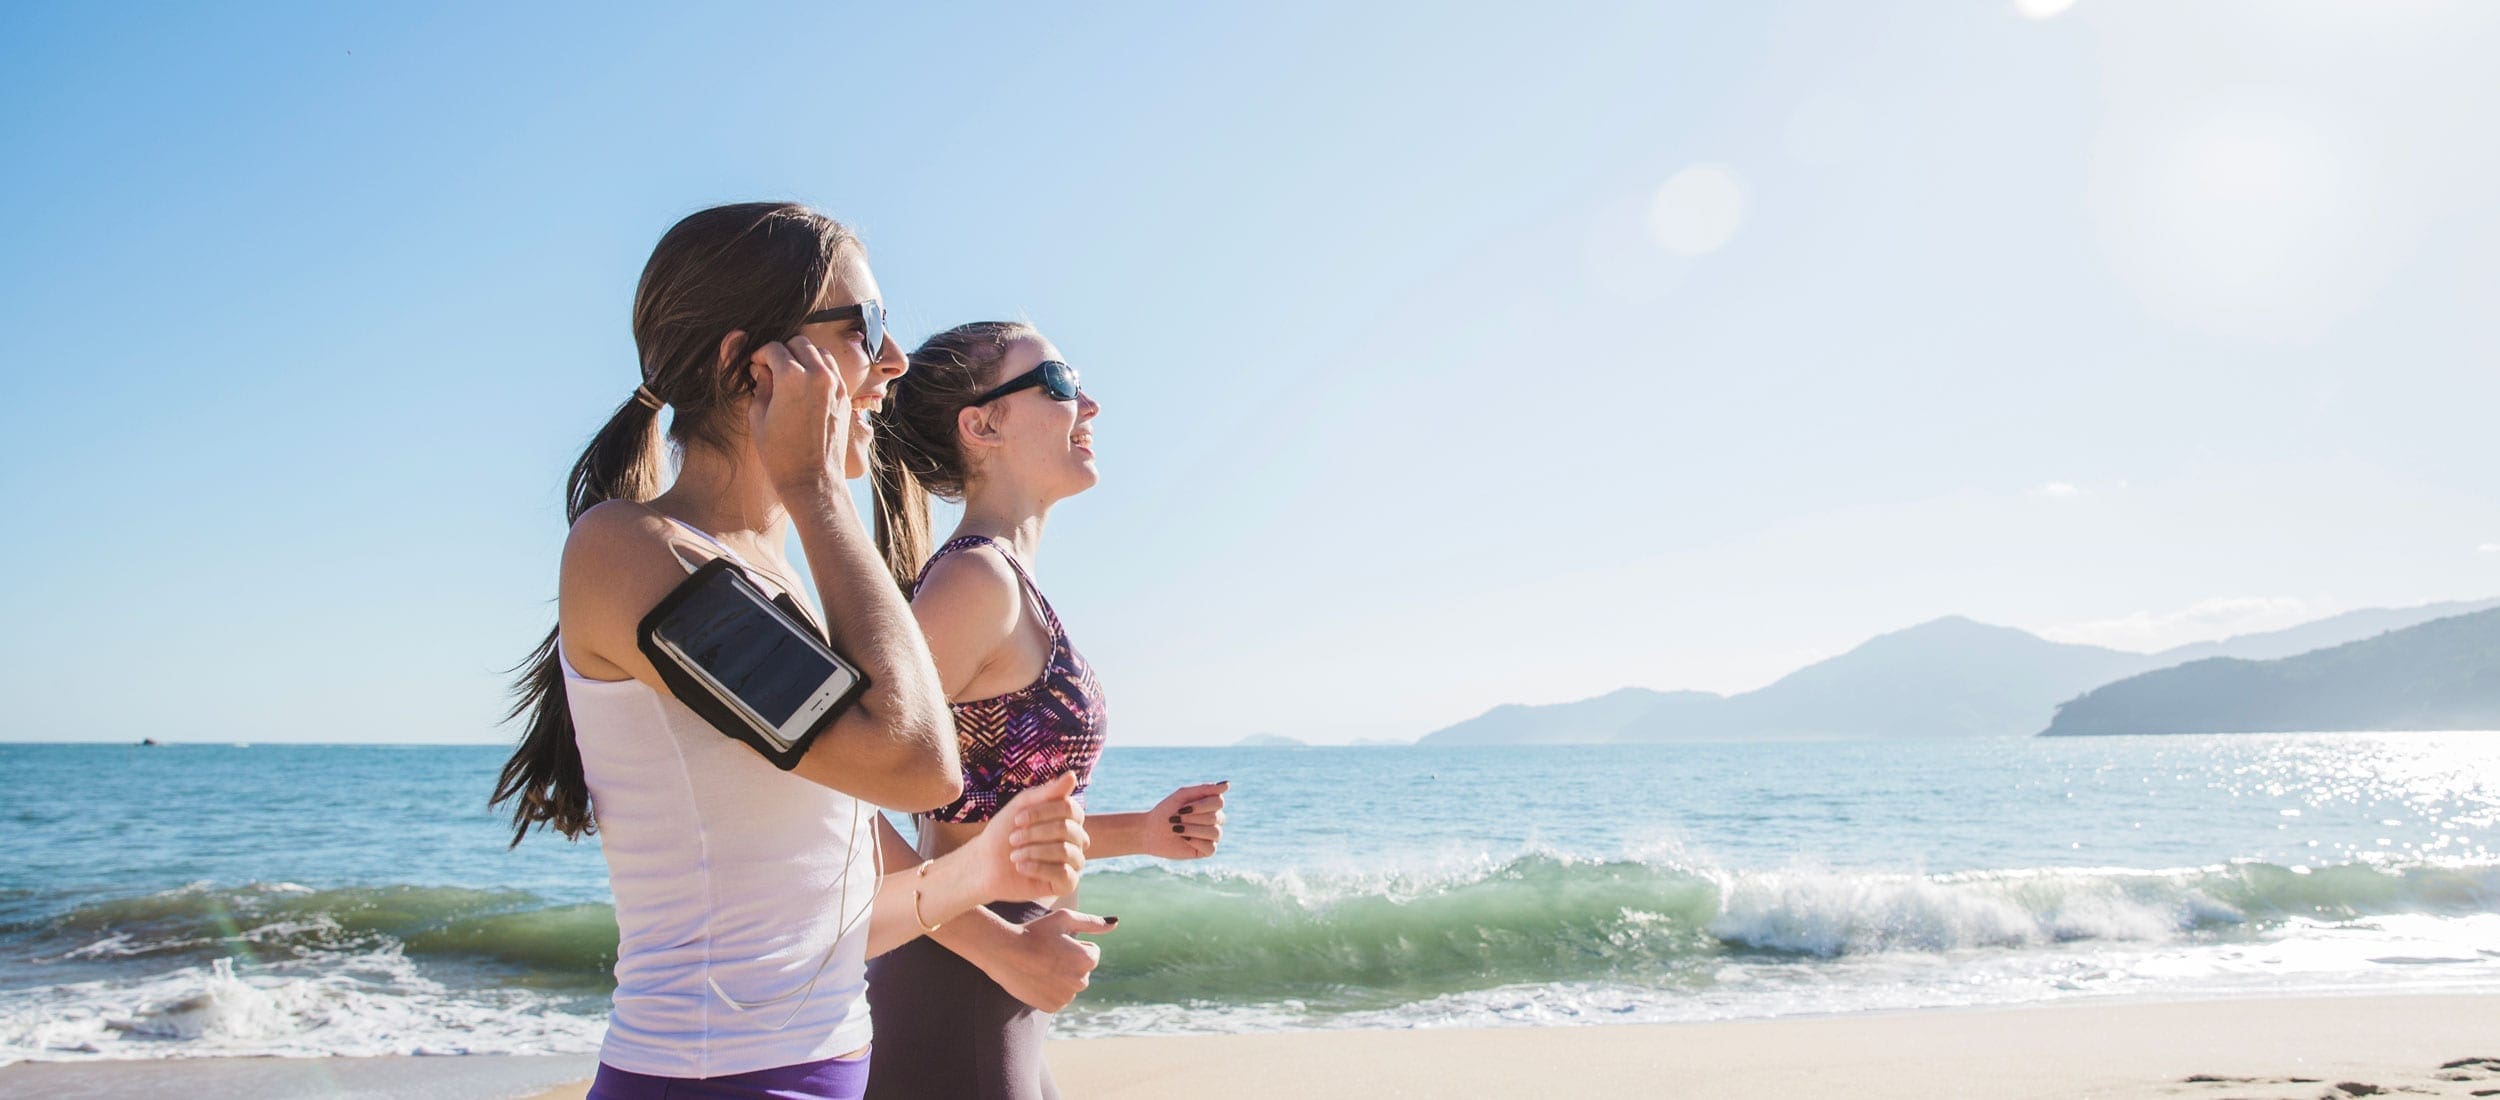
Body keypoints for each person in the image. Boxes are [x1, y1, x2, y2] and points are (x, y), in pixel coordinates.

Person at [492, 204, 1099, 1100]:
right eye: (867, 327)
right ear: (754, 366)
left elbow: (819, 919)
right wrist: (815, 487)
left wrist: (984, 875)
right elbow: (916, 764)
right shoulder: (633, 551)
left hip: (816, 1071)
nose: (894, 362)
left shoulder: (767, 581)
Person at [862, 321, 1231, 1099]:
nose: (1088, 405)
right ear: (982, 425)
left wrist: (1142, 832)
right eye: (1060, 384)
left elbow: (987, 820)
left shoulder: (1003, 581)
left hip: (994, 991)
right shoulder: (977, 584)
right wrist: (1000, 947)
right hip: (961, 983)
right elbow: (832, 799)